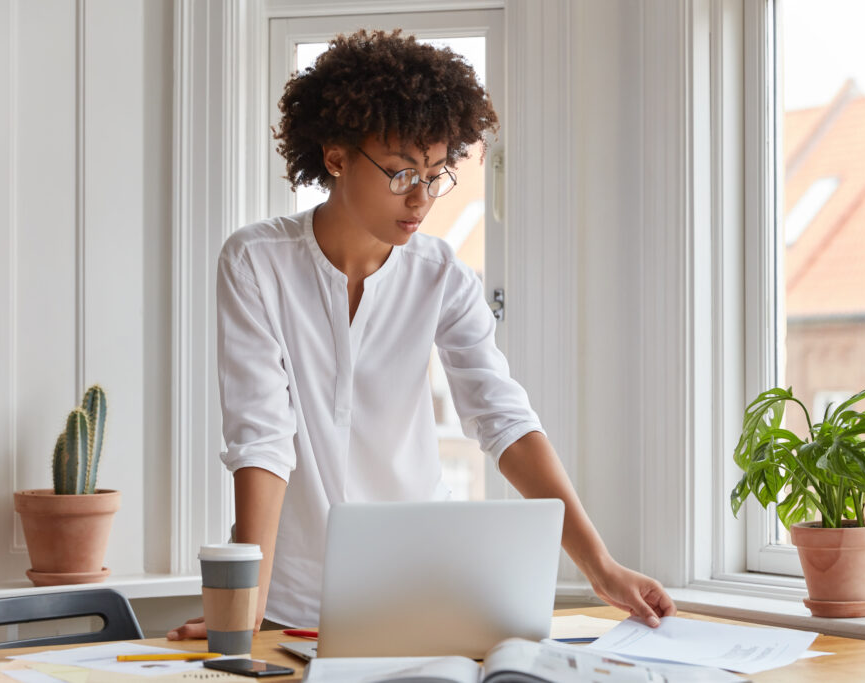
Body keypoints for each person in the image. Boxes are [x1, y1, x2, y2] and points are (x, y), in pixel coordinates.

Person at [169, 28, 675, 640]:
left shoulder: (443, 277)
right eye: (401, 173)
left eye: (435, 174)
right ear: (335, 157)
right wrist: (247, 604)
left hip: (424, 596)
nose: (422, 199)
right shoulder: (257, 262)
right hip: (290, 604)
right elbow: (262, 438)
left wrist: (601, 567)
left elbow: (505, 420)